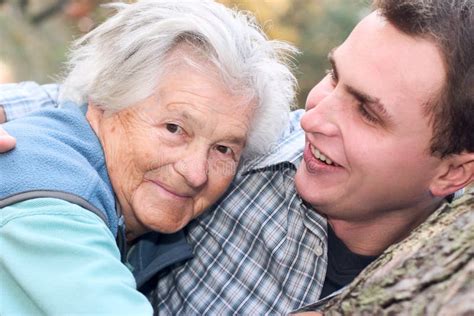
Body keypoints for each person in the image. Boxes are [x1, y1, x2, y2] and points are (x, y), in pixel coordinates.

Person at [1, 0, 473, 314]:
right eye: (333, 77)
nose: (311, 119)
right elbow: (95, 103)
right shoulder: (265, 147)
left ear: (454, 171)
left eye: (367, 112)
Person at [0, 0, 298, 315]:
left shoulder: (108, 195)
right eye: (174, 128)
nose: (196, 173)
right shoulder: (54, 207)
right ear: (106, 98)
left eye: (224, 149)